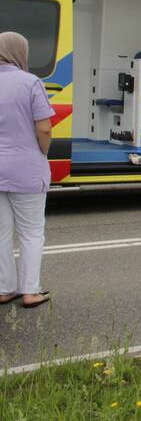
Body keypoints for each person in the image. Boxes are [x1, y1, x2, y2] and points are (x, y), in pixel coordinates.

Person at [0, 32, 54, 309]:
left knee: (1, 232)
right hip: (26, 169)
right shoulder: (30, 82)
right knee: (31, 232)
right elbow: (43, 127)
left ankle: (4, 288)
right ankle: (30, 291)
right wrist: (42, 151)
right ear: (20, 52)